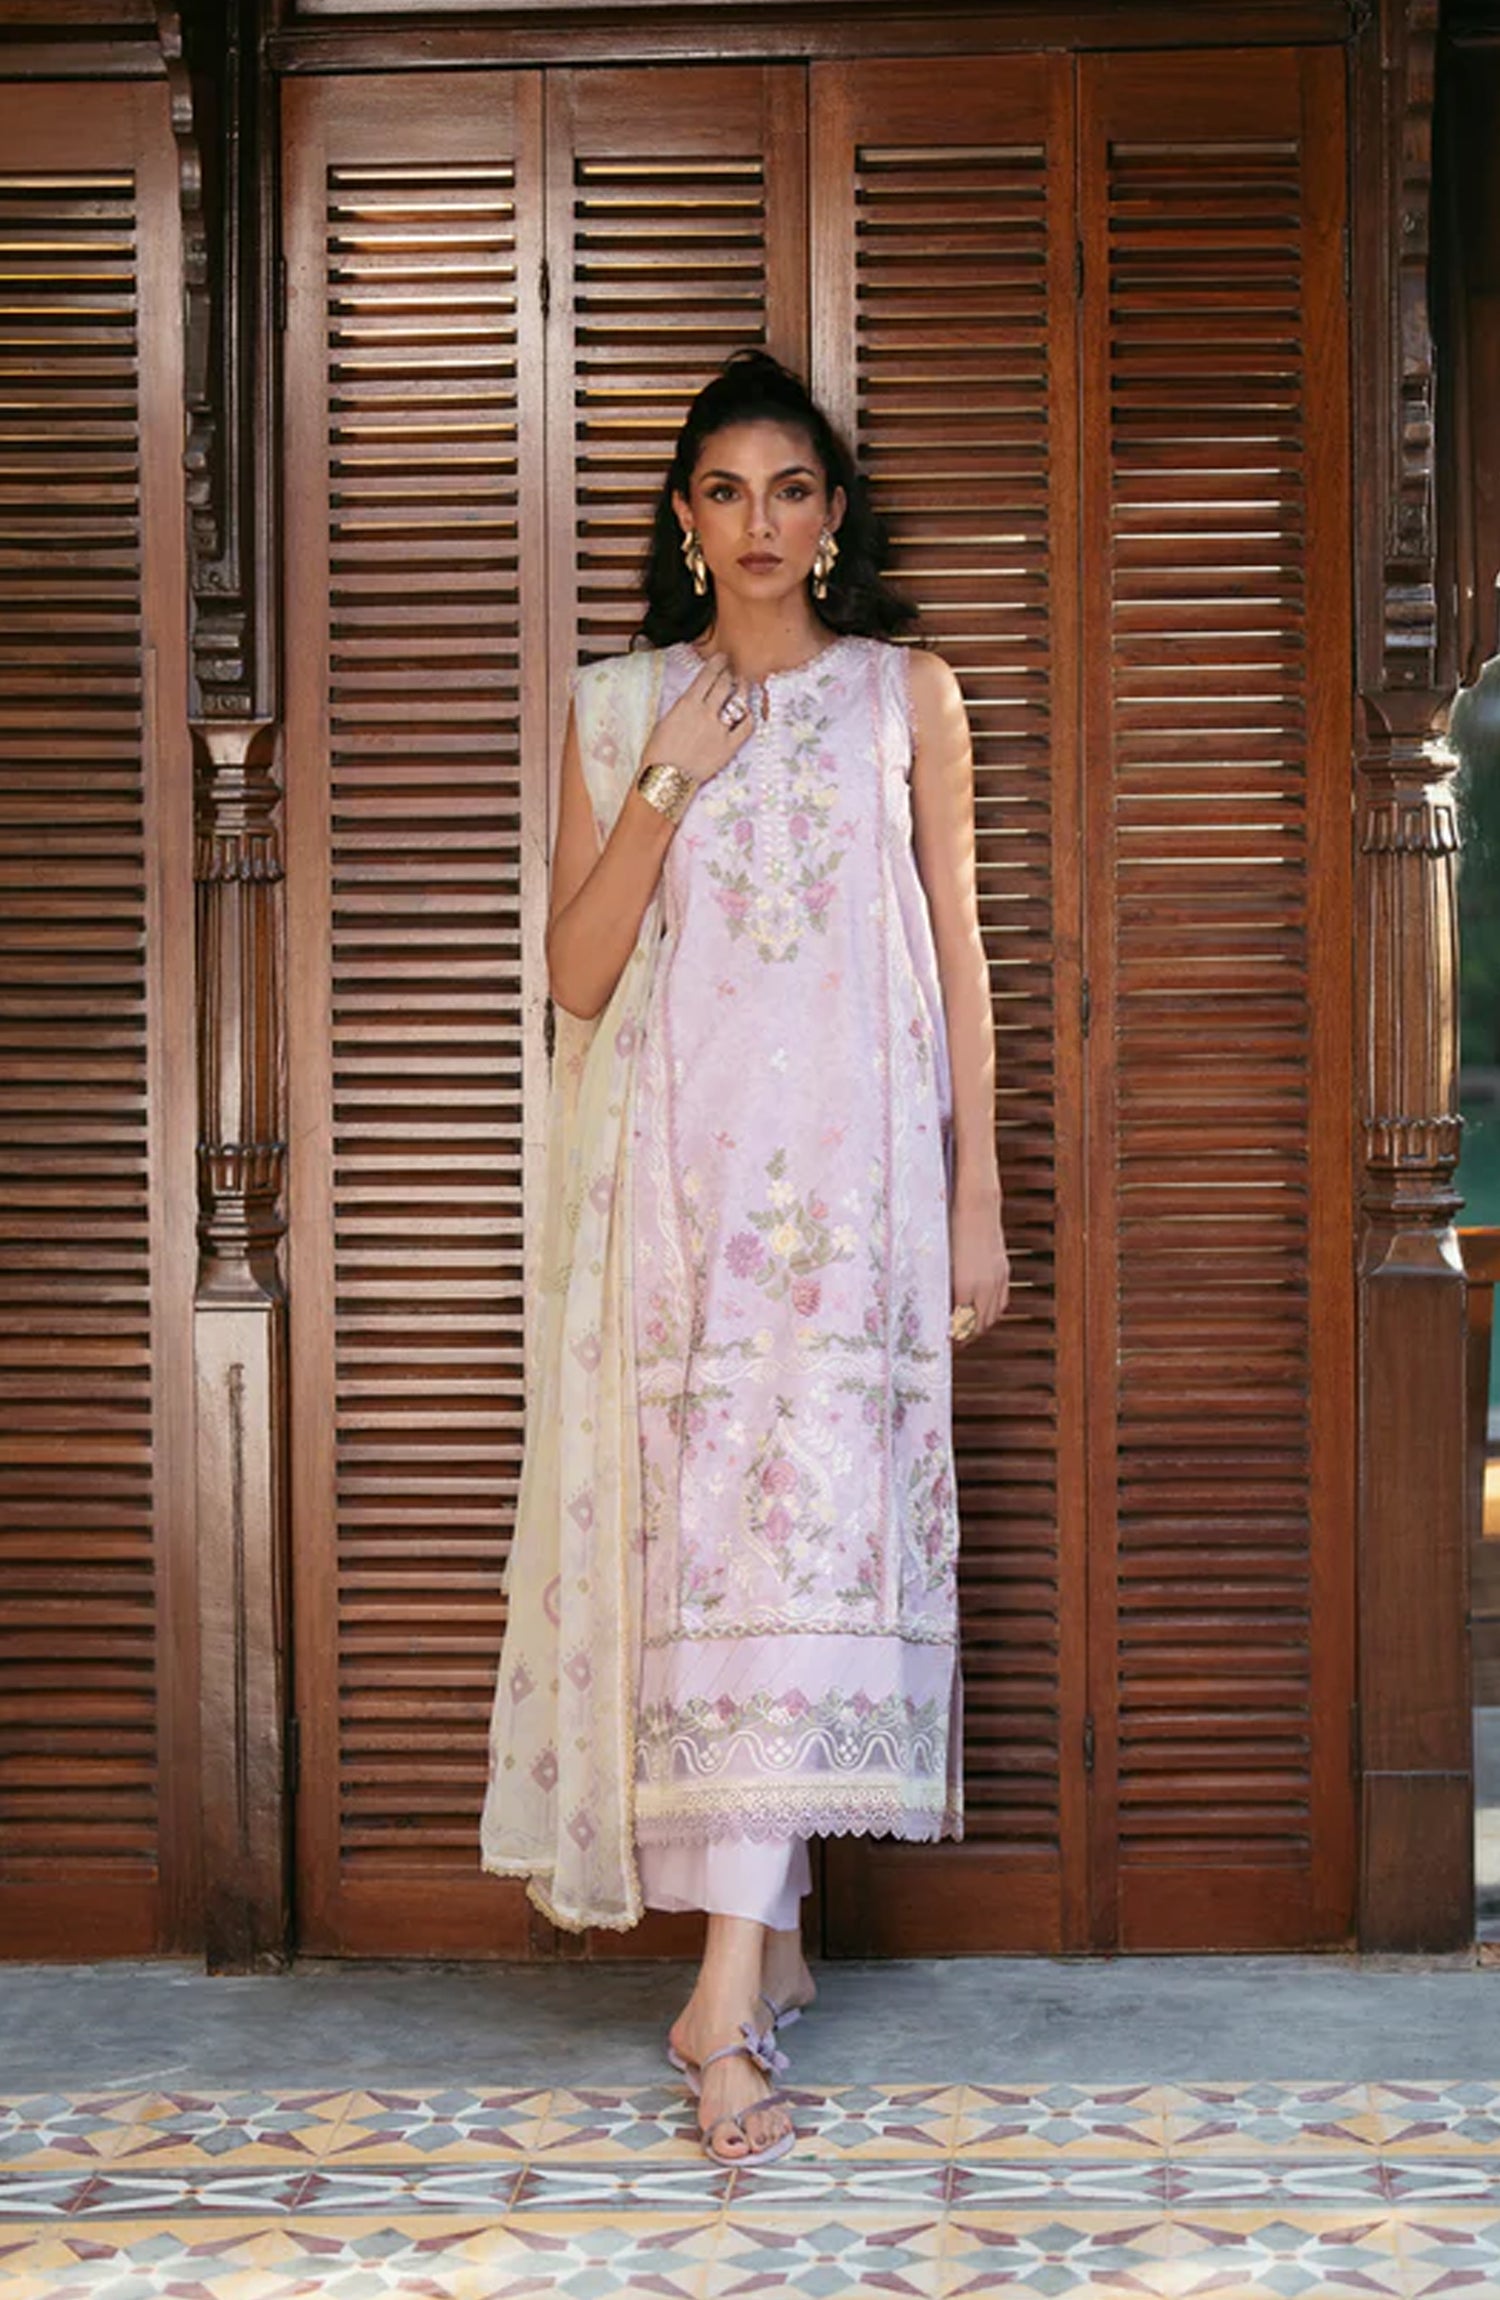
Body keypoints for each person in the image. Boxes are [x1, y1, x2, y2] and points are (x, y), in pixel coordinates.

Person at [481, 348, 1010, 2165]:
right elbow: (576, 978)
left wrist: (977, 1197)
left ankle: (731, 1987)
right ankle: (744, 1971)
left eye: (791, 490)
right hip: (679, 1216)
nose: (761, 523)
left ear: (833, 516)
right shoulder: (623, 704)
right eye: (726, 492)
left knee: (802, 1553)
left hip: (855, 1214)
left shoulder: (904, 695)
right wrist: (666, 783)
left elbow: (957, 956)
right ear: (685, 520)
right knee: (710, 1563)